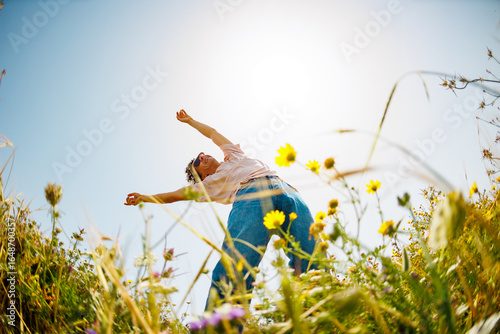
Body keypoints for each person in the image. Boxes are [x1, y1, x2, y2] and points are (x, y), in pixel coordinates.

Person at [125, 109, 318, 305]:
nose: (202, 156)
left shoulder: (233, 155)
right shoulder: (208, 186)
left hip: (286, 190)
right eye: (198, 161)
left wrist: (190, 121)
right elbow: (174, 196)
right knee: (239, 262)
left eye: (201, 154)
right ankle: (223, 322)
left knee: (311, 253)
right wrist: (145, 198)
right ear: (202, 176)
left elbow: (212, 133)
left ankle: (316, 308)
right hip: (250, 198)